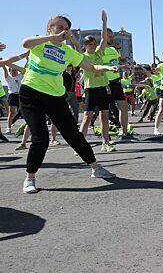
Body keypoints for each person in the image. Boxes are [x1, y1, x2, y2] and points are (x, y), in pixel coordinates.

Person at [16, 14, 116, 193]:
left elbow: (91, 68)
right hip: (31, 93)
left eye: (66, 28)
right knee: (40, 139)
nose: (63, 30)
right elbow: (25, 43)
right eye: (59, 26)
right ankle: (30, 178)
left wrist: (108, 68)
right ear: (50, 28)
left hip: (55, 96)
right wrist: (50, 38)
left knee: (73, 134)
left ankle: (95, 168)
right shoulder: (40, 42)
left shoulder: (68, 52)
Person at [78, 11, 115, 152]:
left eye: (94, 44)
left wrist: (104, 23)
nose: (93, 46)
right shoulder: (82, 57)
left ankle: (106, 143)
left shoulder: (99, 52)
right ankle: (80, 145)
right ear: (85, 46)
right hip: (90, 89)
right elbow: (93, 68)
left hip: (102, 89)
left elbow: (104, 39)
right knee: (87, 117)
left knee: (105, 117)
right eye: (90, 44)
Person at [102, 28, 133, 139]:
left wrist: (119, 49)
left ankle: (124, 133)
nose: (112, 39)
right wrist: (105, 84)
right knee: (104, 111)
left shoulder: (113, 50)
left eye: (112, 36)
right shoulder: (98, 50)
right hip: (105, 82)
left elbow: (123, 61)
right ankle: (105, 136)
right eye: (109, 36)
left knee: (124, 107)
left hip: (116, 81)